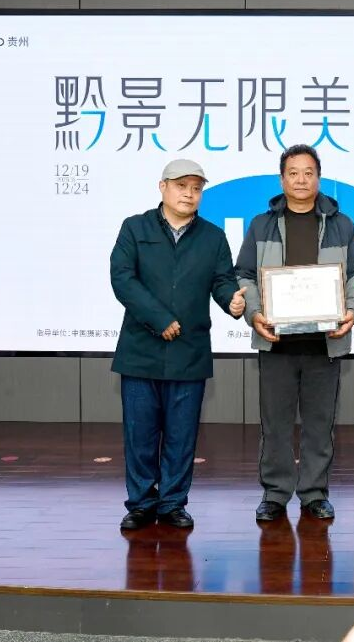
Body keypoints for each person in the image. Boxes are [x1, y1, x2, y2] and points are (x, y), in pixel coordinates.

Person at [235, 144, 354, 523]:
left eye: (308, 173)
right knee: (275, 425)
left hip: (324, 343)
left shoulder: (341, 224)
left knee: (319, 425)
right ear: (282, 179)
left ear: (318, 178)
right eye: (293, 173)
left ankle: (314, 493)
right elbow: (244, 274)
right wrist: (255, 314)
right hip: (276, 342)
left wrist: (353, 310)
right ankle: (275, 494)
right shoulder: (261, 224)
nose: (301, 180)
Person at [111, 158, 246, 531]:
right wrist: (159, 319)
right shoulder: (134, 228)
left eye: (196, 188)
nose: (189, 194)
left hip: (189, 351)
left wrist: (232, 301)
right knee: (140, 435)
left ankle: (172, 503)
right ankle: (141, 503)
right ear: (163, 187)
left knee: (181, 437)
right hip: (140, 351)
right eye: (181, 186)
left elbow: (222, 280)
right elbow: (122, 279)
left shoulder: (213, 237)